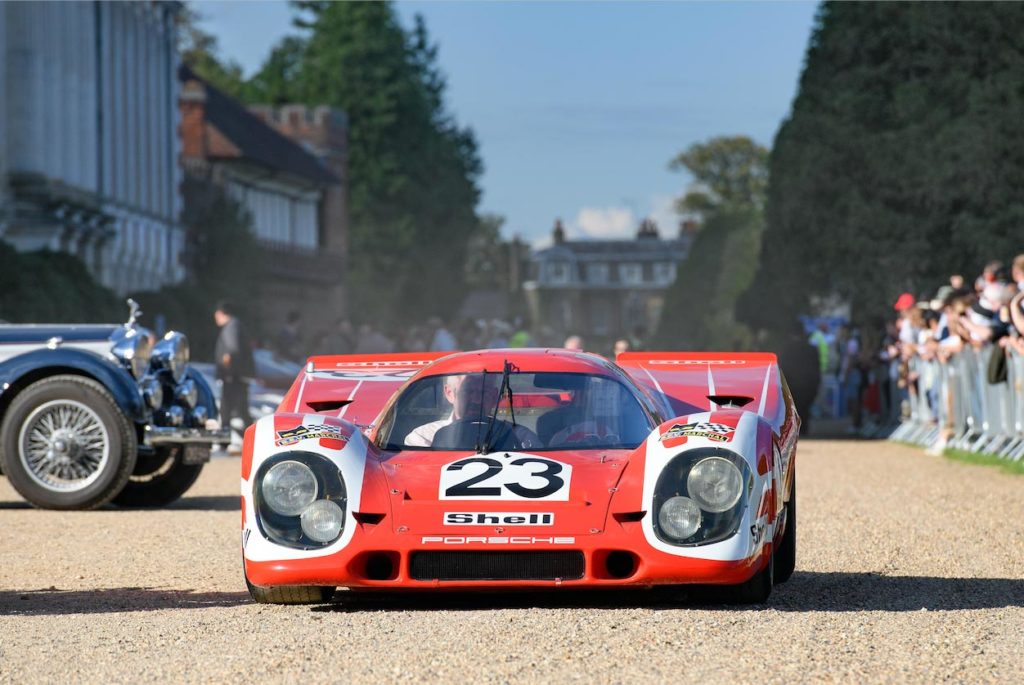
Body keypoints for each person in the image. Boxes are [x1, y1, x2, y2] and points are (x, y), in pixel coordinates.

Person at [404, 374, 537, 448]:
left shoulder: (521, 438)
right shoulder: (423, 438)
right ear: (449, 393)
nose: (477, 400)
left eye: (484, 392)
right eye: (468, 391)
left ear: (495, 397)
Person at [214, 301, 255, 448]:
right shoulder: (236, 325)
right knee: (241, 409)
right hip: (237, 376)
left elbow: (232, 350)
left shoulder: (231, 327)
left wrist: (228, 370)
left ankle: (225, 441)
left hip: (232, 376)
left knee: (227, 409)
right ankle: (252, 441)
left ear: (221, 313)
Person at [779, 320, 821, 436]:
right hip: (808, 386)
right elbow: (816, 370)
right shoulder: (812, 349)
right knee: (804, 412)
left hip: (791, 386)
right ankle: (805, 432)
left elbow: (782, 369)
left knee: (792, 413)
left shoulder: (786, 349)